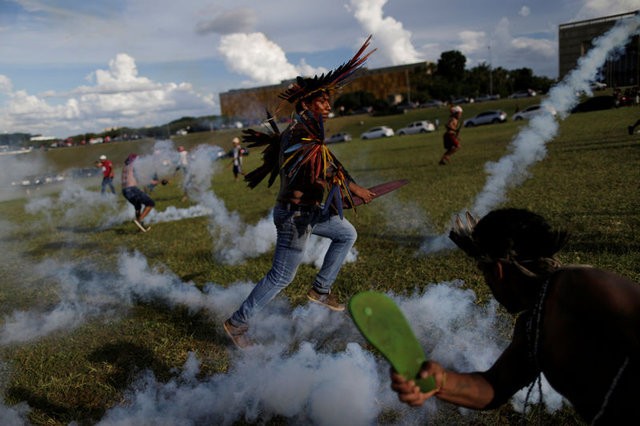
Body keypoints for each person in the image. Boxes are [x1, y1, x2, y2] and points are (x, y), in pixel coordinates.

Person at [390, 208, 640, 425]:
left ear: (498, 271)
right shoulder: (533, 325)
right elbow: (495, 386)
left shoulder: (578, 285)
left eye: (483, 272)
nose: (486, 282)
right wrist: (440, 381)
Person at [223, 36, 377, 349]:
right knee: (281, 277)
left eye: (329, 100)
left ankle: (321, 290)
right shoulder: (299, 135)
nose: (329, 105)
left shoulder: (308, 135)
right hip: (295, 217)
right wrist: (349, 189)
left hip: (309, 213)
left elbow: (329, 165)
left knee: (346, 233)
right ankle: (236, 323)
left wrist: (346, 189)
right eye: (322, 100)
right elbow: (318, 172)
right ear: (306, 104)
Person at [121, 153, 155, 232]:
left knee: (137, 206)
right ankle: (140, 219)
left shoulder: (125, 167)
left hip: (125, 191)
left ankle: (140, 226)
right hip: (132, 189)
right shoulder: (134, 166)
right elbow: (142, 177)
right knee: (150, 203)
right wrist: (155, 181)